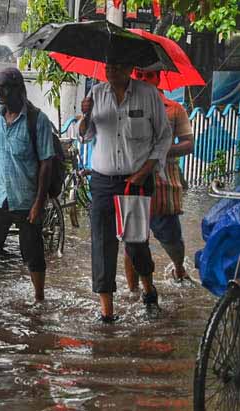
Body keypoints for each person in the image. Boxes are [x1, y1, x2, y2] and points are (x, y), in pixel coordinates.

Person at [79, 62, 173, 322]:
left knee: (135, 244)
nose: (111, 72)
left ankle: (148, 289)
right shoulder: (96, 94)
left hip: (137, 181)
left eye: (117, 67)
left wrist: (146, 170)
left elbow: (164, 137)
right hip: (102, 181)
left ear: (129, 68)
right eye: (108, 67)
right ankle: (107, 312)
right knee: (102, 244)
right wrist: (85, 116)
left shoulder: (148, 94)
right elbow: (85, 136)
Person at [0, 67, 54, 303]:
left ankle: (39, 298)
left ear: (18, 90)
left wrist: (39, 203)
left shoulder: (37, 120)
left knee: (32, 252)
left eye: (4, 88)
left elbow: (46, 163)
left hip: (26, 198)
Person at [123, 69, 195, 289]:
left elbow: (188, 143)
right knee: (132, 242)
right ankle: (134, 291)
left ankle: (178, 267)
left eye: (149, 76)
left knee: (171, 238)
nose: (144, 80)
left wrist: (160, 151)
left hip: (163, 186)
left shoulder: (174, 109)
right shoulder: (124, 108)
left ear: (158, 78)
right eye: (139, 76)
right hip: (133, 184)